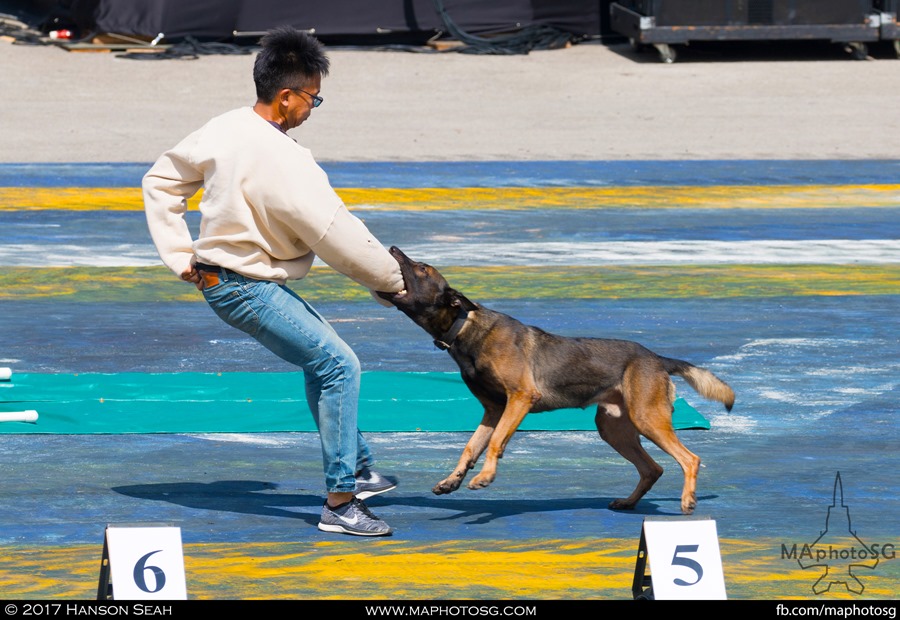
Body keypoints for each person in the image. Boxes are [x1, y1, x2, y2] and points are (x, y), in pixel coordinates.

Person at [142, 26, 405, 537]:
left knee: (321, 358)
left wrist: (180, 256)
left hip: (232, 280)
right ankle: (341, 503)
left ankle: (360, 466)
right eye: (313, 98)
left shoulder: (225, 126)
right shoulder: (286, 158)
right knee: (338, 364)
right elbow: (338, 234)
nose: (313, 108)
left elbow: (161, 180)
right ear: (286, 97)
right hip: (245, 286)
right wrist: (393, 282)